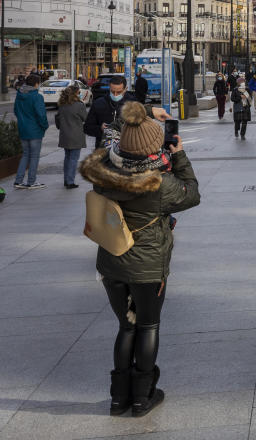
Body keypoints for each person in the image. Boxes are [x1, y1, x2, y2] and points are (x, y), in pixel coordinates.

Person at [79, 102, 201, 417]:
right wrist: (179, 156)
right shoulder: (161, 183)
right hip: (148, 265)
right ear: (155, 146)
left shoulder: (103, 170)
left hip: (112, 260)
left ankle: (118, 399)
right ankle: (142, 397)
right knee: (148, 324)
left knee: (125, 326)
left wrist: (142, 115)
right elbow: (192, 194)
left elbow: (116, 138)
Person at [13, 74, 49, 190]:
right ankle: (31, 181)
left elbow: (16, 111)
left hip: (23, 128)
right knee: (34, 157)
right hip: (35, 130)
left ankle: (18, 180)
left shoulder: (19, 95)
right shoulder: (37, 97)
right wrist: (44, 126)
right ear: (36, 84)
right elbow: (41, 115)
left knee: (25, 155)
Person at [84, 76, 137, 147]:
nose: (115, 95)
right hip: (103, 149)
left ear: (125, 89)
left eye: (119, 92)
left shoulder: (134, 105)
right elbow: (87, 128)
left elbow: (141, 129)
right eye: (112, 91)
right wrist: (100, 128)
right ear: (109, 88)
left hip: (127, 149)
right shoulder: (98, 103)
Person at [55, 85, 87, 189]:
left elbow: (58, 120)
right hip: (76, 135)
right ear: (76, 93)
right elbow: (85, 118)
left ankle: (66, 179)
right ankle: (70, 181)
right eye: (79, 92)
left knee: (67, 158)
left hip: (65, 135)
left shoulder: (62, 105)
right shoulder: (79, 105)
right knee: (73, 159)